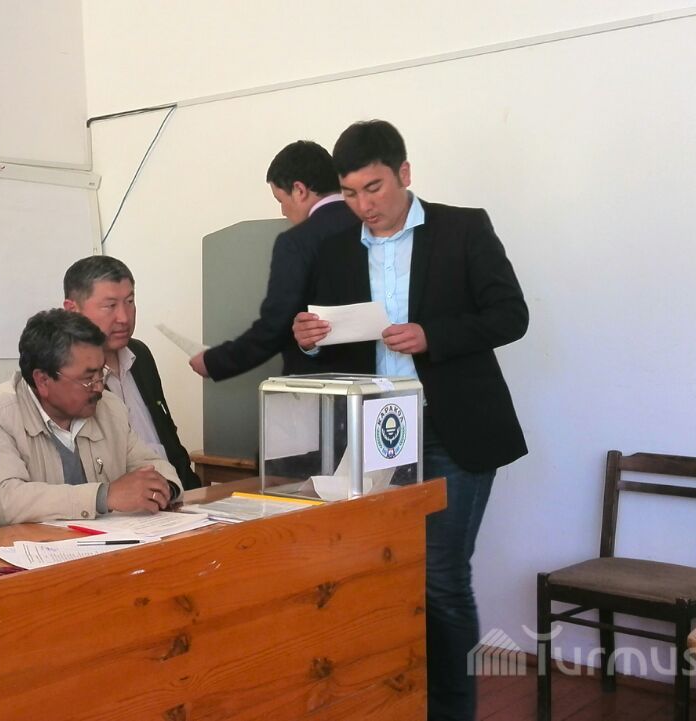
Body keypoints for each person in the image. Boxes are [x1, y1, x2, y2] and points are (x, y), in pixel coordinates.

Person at [292, 120, 528, 721]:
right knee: (378, 576)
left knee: (441, 579)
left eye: (373, 188)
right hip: (371, 431)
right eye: (350, 193)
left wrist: (433, 336)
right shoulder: (335, 247)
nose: (363, 206)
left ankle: (451, 712)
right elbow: (321, 341)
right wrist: (308, 339)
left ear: (404, 173)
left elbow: (511, 315)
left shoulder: (463, 228)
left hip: (453, 430)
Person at [0, 308, 182, 526]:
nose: (99, 386)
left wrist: (162, 490)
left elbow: (152, 465)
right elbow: (5, 500)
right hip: (39, 546)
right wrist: (103, 496)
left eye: (101, 372)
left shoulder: (109, 407)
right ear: (43, 380)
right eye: (88, 378)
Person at [190, 141, 359, 381]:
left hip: (322, 385)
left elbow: (275, 327)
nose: (283, 212)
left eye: (280, 200)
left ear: (299, 190)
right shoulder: (375, 226)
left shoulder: (296, 241)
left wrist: (214, 362)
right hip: (387, 384)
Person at [62, 255, 200, 489]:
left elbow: (169, 441)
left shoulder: (140, 355)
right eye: (110, 306)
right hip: (120, 502)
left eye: (129, 301)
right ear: (72, 310)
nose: (124, 318)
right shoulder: (66, 375)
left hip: (175, 493)